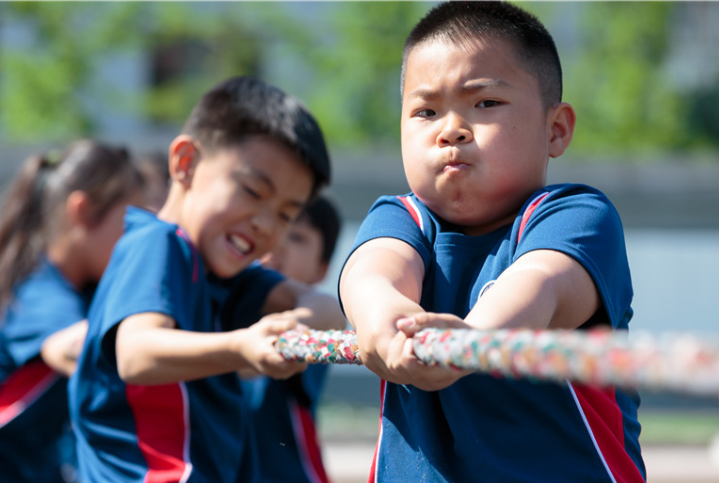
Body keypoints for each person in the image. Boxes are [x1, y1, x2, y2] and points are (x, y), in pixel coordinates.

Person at [338, 2, 645, 482]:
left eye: (485, 103)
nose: (450, 130)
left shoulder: (576, 216)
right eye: (425, 111)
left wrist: (470, 343)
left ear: (556, 128)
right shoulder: (400, 218)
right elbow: (372, 275)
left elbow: (539, 284)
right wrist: (382, 325)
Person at [68, 75, 344, 483]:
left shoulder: (230, 280)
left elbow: (331, 311)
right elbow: (136, 352)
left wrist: (292, 326)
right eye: (252, 191)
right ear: (186, 164)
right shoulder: (157, 243)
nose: (265, 224)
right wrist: (242, 346)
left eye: (286, 214)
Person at [0, 140, 144, 482]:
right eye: (131, 223)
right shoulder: (35, 286)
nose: (139, 242)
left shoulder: (85, 290)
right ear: (82, 210)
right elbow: (68, 348)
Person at [238, 195, 342, 483]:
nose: (278, 244)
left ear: (322, 270)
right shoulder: (224, 304)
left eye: (296, 237)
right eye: (271, 228)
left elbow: (331, 314)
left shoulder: (307, 320)